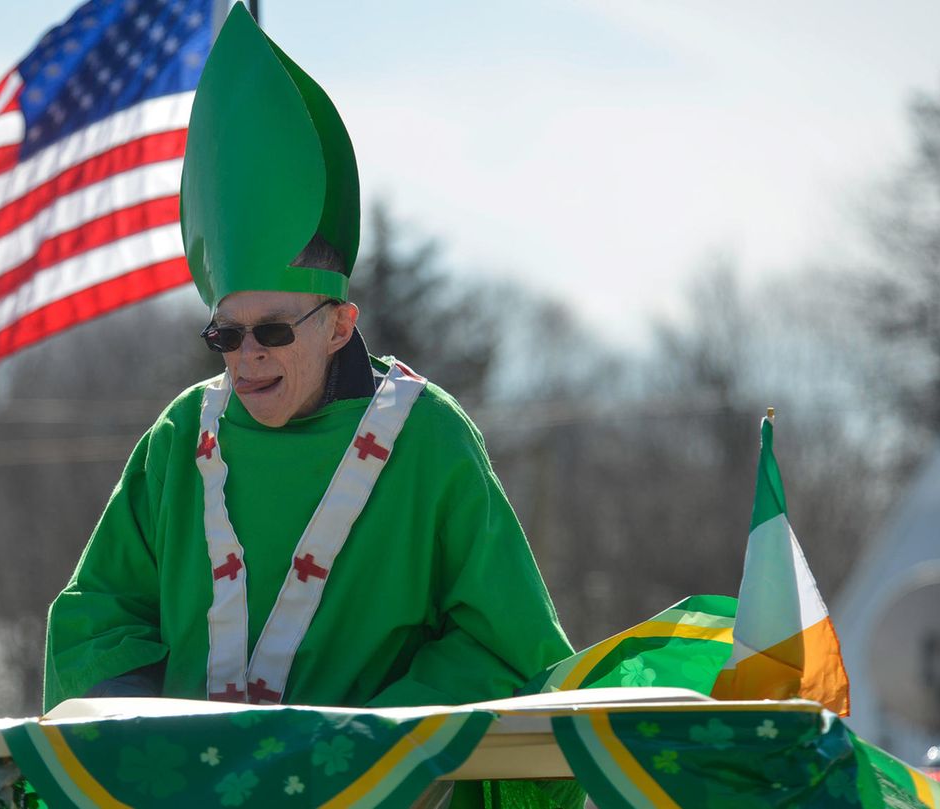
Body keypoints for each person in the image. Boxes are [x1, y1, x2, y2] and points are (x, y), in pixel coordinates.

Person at [42, 2, 571, 712]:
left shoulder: (429, 438)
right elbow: (99, 617)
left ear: (339, 326)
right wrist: (142, 728)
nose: (247, 356)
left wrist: (375, 738)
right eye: (226, 335)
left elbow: (503, 644)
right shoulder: (180, 437)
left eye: (274, 332)